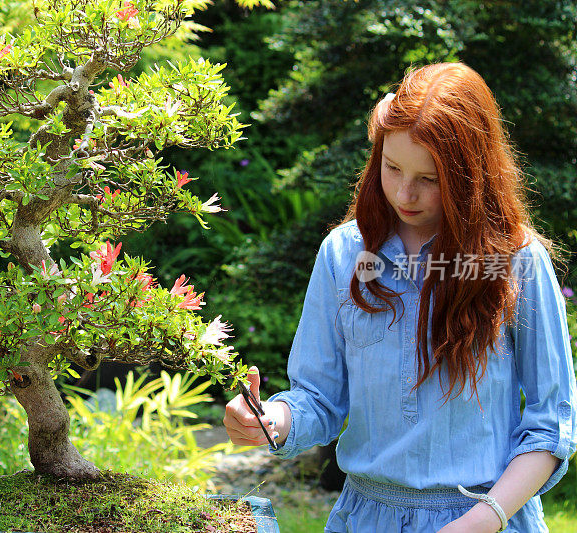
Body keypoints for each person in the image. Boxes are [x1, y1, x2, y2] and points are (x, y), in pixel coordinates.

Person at [223, 62, 577, 532]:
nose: (404, 193)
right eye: (392, 168)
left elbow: (552, 426)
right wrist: (273, 419)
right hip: (366, 517)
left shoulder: (515, 262)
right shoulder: (343, 254)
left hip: (486, 516)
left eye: (428, 179)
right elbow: (319, 398)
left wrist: (484, 518)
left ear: (471, 177)